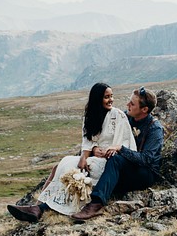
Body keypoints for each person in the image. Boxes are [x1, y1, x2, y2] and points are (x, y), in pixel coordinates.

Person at [7, 82, 136, 222]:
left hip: (109, 161)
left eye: (111, 96)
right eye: (106, 97)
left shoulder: (118, 115)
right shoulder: (90, 116)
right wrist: (87, 155)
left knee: (78, 172)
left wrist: (110, 151)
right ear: (97, 99)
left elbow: (124, 141)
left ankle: (41, 208)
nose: (110, 100)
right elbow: (87, 140)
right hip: (93, 155)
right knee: (65, 163)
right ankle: (38, 207)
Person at [71, 86, 162, 222]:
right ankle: (43, 206)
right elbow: (102, 137)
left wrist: (121, 148)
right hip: (124, 167)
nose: (127, 105)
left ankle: (96, 204)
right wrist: (94, 149)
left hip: (144, 174)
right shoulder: (124, 117)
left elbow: (147, 160)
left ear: (144, 110)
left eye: (132, 104)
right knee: (75, 166)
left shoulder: (155, 129)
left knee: (116, 160)